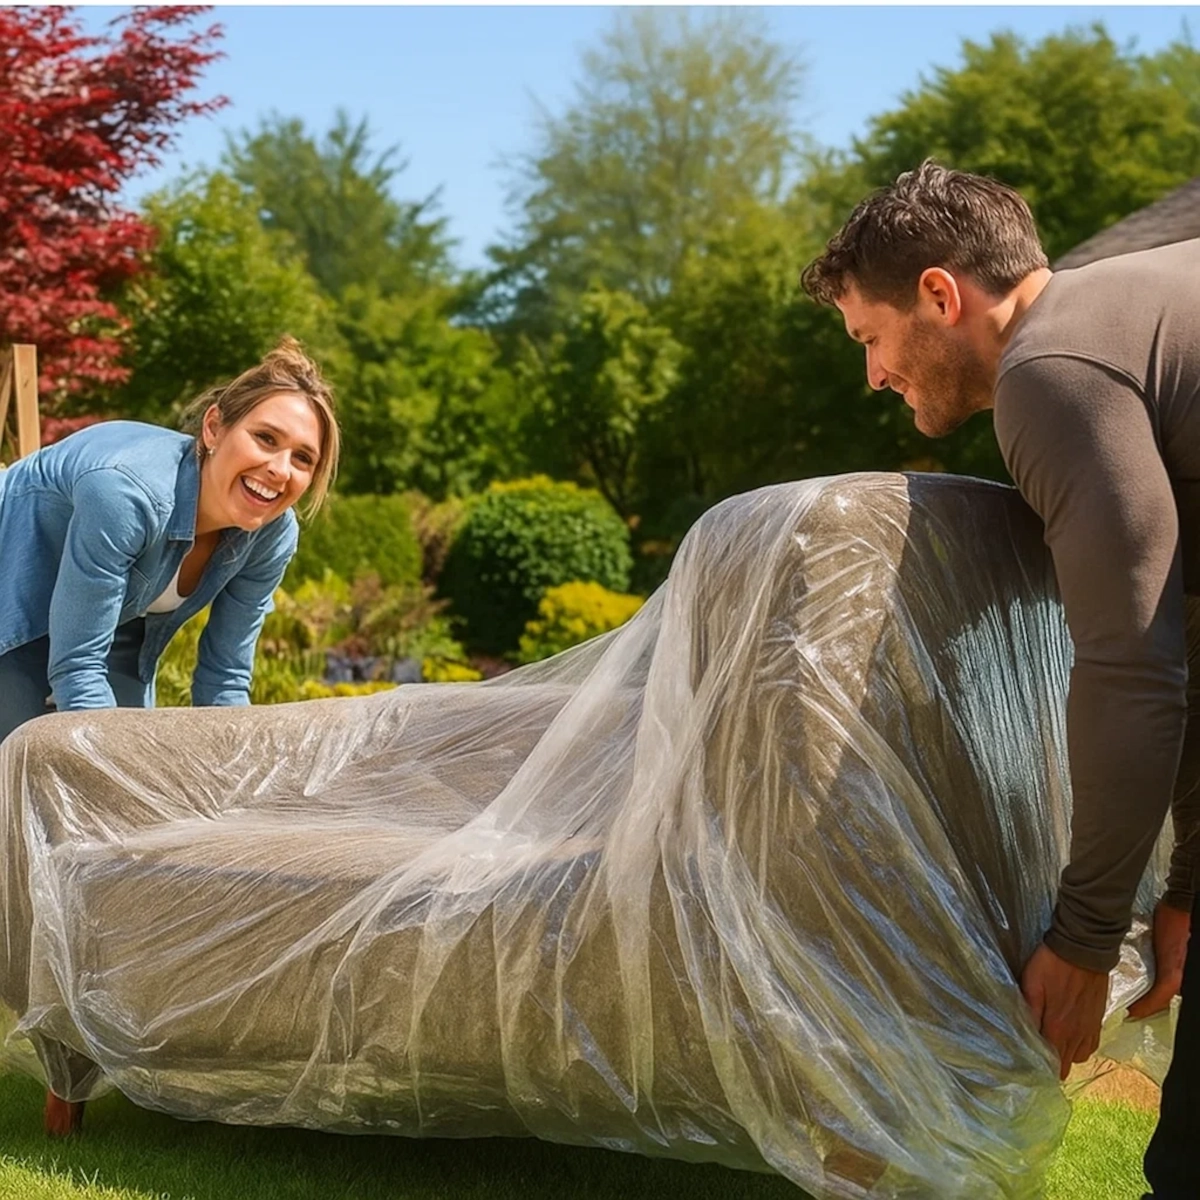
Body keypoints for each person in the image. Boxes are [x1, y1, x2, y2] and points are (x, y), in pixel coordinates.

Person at [800, 159, 1200, 1197]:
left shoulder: (1053, 369)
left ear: (941, 296)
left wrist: (1084, 935)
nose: (872, 377)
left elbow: (1134, 668)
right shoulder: (1136, 321)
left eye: (869, 339)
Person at [0, 336, 340, 745]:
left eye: (303, 458)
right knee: (22, 754)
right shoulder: (127, 494)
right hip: (14, 583)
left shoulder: (273, 535)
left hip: (110, 621)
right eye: (266, 438)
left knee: (140, 752)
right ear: (213, 428)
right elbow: (77, 669)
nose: (280, 470)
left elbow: (225, 680)